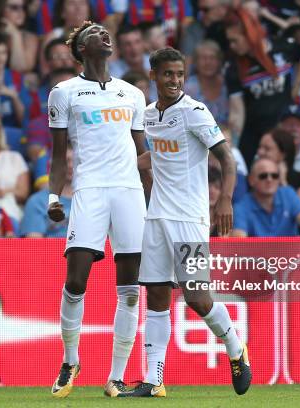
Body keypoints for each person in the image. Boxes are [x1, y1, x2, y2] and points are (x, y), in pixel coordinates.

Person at [120, 47, 249, 398]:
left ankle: (234, 344)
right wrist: (122, 166)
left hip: (190, 219)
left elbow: (227, 158)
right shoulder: (149, 115)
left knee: (196, 297)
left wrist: (224, 198)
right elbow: (158, 155)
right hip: (157, 217)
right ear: (153, 75)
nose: (174, 80)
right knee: (157, 296)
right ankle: (153, 380)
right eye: (167, 74)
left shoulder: (194, 111)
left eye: (179, 74)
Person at [46, 21, 150, 398]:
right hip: (89, 190)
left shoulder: (133, 94)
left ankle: (116, 377)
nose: (104, 35)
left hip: (128, 192)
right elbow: (60, 155)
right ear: (81, 50)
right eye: (95, 34)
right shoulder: (64, 93)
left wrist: (154, 203)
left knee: (131, 290)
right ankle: (70, 359)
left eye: (106, 32)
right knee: (76, 280)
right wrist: (53, 197)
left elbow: (143, 156)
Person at [224, 7, 300, 166]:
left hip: (283, 133)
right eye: (229, 41)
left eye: (235, 40)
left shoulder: (284, 47)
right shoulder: (234, 67)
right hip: (254, 134)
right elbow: (237, 113)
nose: (232, 46)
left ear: (249, 34)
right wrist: (232, 145)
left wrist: (296, 86)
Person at [231, 158, 300, 237]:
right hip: (258, 256)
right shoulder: (241, 206)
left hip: (292, 255)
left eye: (274, 176)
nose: (269, 179)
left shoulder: (288, 193)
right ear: (251, 180)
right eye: (263, 176)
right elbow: (239, 238)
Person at [21, 146, 73, 237]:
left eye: (76, 160)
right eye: (66, 160)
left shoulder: (95, 200)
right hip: (51, 251)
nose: (71, 165)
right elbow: (34, 246)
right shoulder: (37, 202)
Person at [256, 128, 300, 208]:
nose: (260, 152)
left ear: (283, 155)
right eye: (260, 147)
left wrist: (283, 182)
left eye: (267, 149)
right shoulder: (253, 177)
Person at [184, 40, 229, 125]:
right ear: (196, 63)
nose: (208, 62)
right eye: (203, 58)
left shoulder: (228, 84)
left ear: (219, 61)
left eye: (212, 58)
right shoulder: (188, 89)